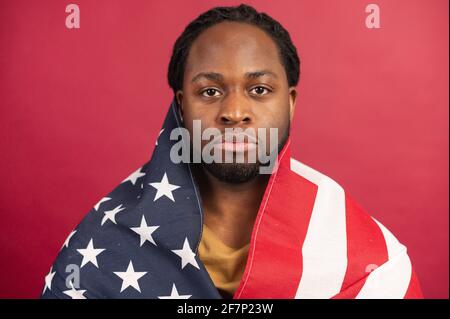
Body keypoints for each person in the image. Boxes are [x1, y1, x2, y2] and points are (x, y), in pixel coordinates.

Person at [41, 4, 423, 299]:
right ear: (181, 105)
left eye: (259, 90)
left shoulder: (364, 258)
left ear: (290, 103)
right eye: (210, 91)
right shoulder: (105, 239)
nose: (234, 113)